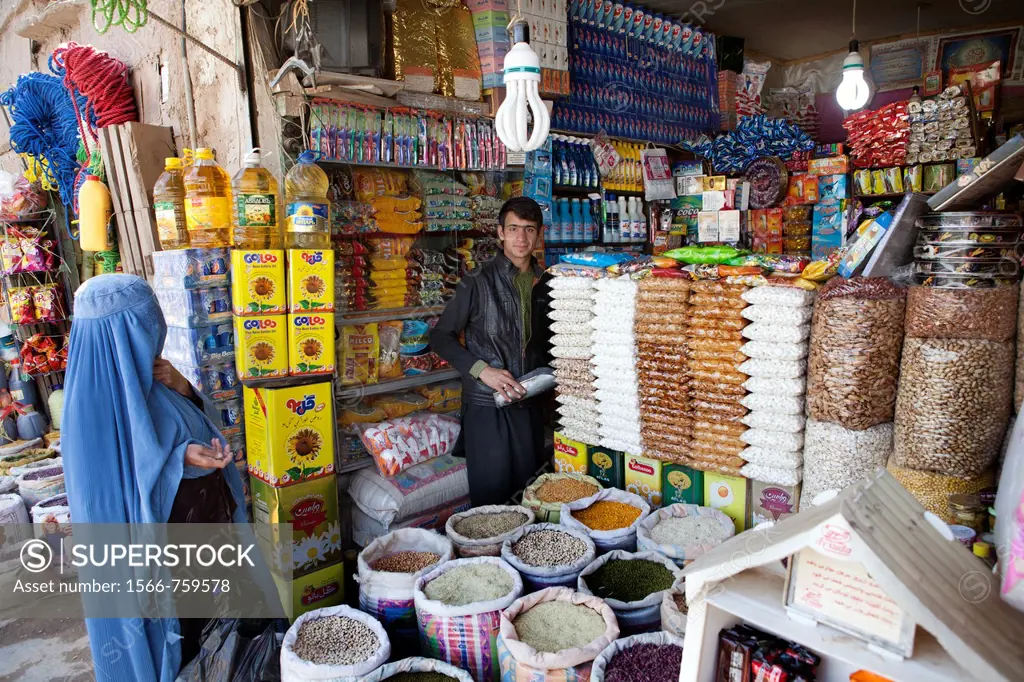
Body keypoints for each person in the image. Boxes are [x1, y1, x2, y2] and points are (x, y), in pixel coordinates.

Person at [62, 274, 248, 681]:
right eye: (147, 323)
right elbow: (116, 498)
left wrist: (185, 389)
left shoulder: (153, 380)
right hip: (167, 564)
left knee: (216, 643)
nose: (156, 330)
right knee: (180, 648)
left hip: (204, 551)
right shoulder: (92, 408)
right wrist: (179, 461)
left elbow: (196, 424)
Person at [430, 196, 552, 505]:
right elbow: (441, 337)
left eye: (528, 229)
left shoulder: (547, 284)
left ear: (539, 234)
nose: (520, 238)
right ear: (500, 233)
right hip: (488, 406)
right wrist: (482, 370)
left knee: (530, 496)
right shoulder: (476, 282)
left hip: (530, 403)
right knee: (491, 500)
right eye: (513, 228)